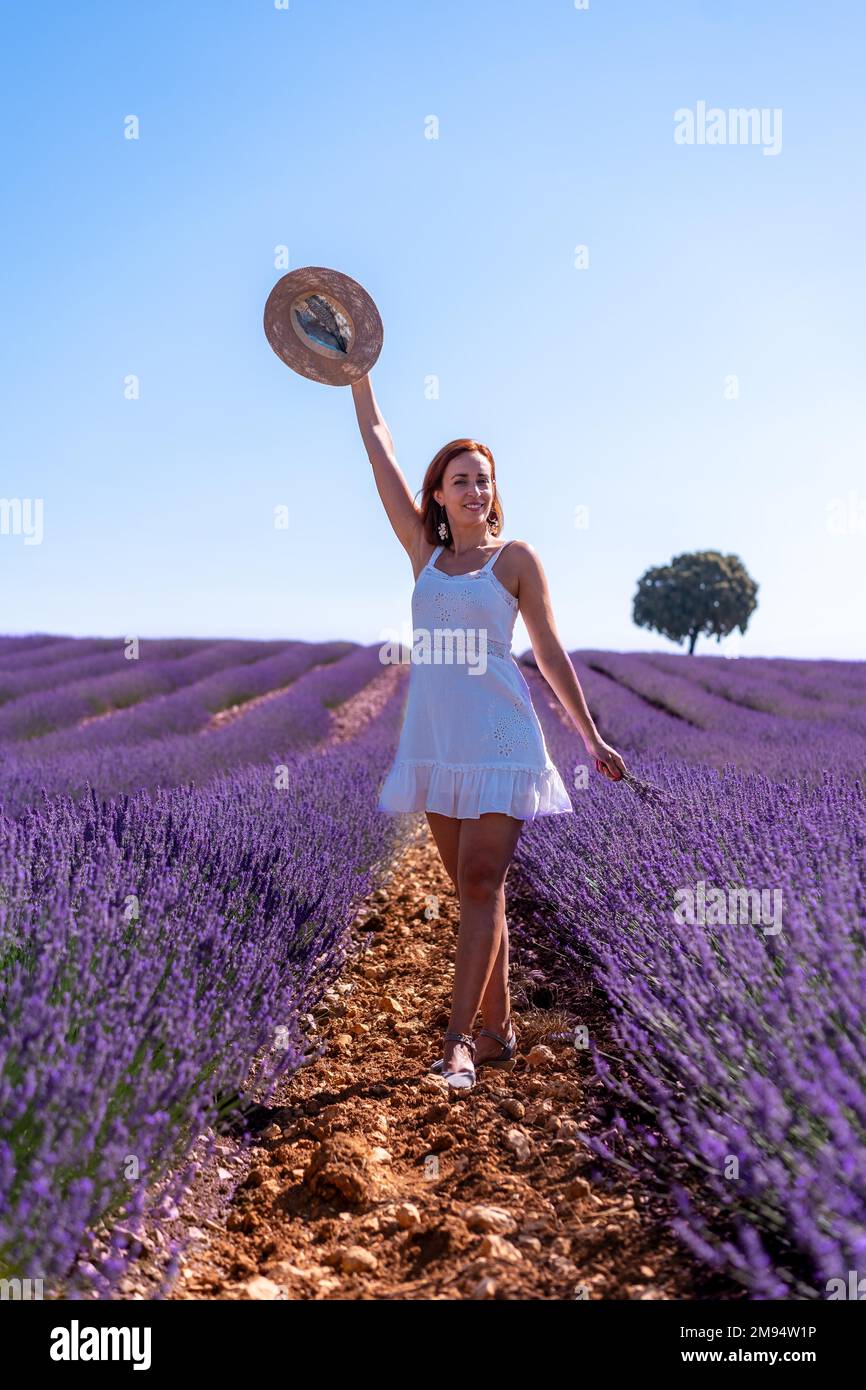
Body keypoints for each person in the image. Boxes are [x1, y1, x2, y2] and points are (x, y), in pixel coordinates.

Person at [350, 373, 627, 1091]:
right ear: (438, 494)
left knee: (479, 880)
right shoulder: (425, 554)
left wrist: (591, 738)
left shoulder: (516, 560)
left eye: (484, 480)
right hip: (439, 743)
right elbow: (378, 447)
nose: (475, 490)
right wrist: (360, 378)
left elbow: (550, 650)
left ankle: (457, 1044)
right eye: (460, 480)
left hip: (503, 739)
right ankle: (501, 1028)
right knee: (478, 891)